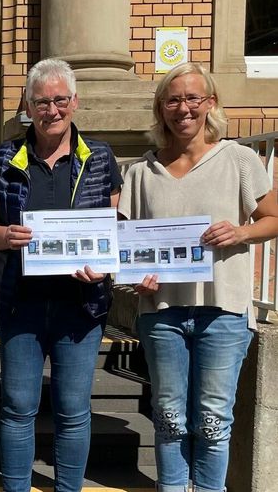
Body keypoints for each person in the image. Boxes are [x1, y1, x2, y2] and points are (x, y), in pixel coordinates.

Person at [117, 62, 278, 492]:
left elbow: (272, 217)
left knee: (212, 419)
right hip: (162, 311)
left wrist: (241, 231)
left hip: (223, 311)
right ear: (161, 108)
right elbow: (124, 243)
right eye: (173, 99)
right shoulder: (140, 171)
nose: (183, 108)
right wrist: (134, 277)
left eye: (192, 98)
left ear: (210, 103)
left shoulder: (240, 160)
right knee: (169, 416)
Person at [0, 58, 122, 492]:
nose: (51, 110)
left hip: (82, 304)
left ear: (75, 102)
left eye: (60, 100)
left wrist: (104, 263)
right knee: (19, 406)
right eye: (42, 101)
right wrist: (5, 236)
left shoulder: (99, 156)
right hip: (21, 302)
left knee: (73, 409)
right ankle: (17, 487)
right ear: (28, 105)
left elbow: (112, 227)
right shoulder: (5, 156)